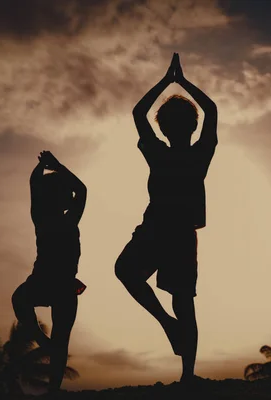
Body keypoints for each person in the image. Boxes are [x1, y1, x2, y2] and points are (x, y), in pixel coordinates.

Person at [115, 53, 218, 384]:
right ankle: (184, 363)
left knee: (174, 298)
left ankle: (180, 354)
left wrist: (169, 81)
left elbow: (138, 112)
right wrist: (181, 82)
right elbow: (212, 111)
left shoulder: (165, 153)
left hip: (164, 230)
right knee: (182, 302)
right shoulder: (196, 153)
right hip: (169, 232)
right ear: (191, 125)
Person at [12, 150, 87, 392]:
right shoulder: (52, 219)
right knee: (22, 302)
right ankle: (45, 345)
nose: (70, 196)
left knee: (60, 337)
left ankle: (53, 388)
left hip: (60, 283)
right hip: (49, 281)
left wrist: (49, 166)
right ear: (59, 197)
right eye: (65, 193)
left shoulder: (51, 219)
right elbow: (80, 190)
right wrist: (54, 166)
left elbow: (38, 185)